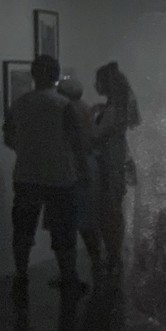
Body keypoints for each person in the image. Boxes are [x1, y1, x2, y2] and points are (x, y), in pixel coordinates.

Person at [2, 53, 89, 301]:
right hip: (59, 176)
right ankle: (68, 276)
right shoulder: (63, 105)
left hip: (26, 174)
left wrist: (26, 150)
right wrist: (82, 171)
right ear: (56, 75)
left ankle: (21, 275)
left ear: (33, 74)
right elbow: (76, 143)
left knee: (23, 231)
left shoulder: (19, 103)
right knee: (63, 231)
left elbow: (8, 138)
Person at [91, 61, 141, 277]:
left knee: (107, 211)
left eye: (98, 81)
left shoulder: (112, 109)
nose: (95, 85)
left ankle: (112, 255)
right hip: (117, 159)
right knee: (114, 209)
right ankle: (114, 255)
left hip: (108, 161)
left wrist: (87, 117)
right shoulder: (119, 106)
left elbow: (96, 134)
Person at [56, 75, 104, 280]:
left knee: (72, 221)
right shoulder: (85, 108)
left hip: (76, 166)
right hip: (88, 164)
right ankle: (97, 263)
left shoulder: (69, 110)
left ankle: (71, 272)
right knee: (87, 220)